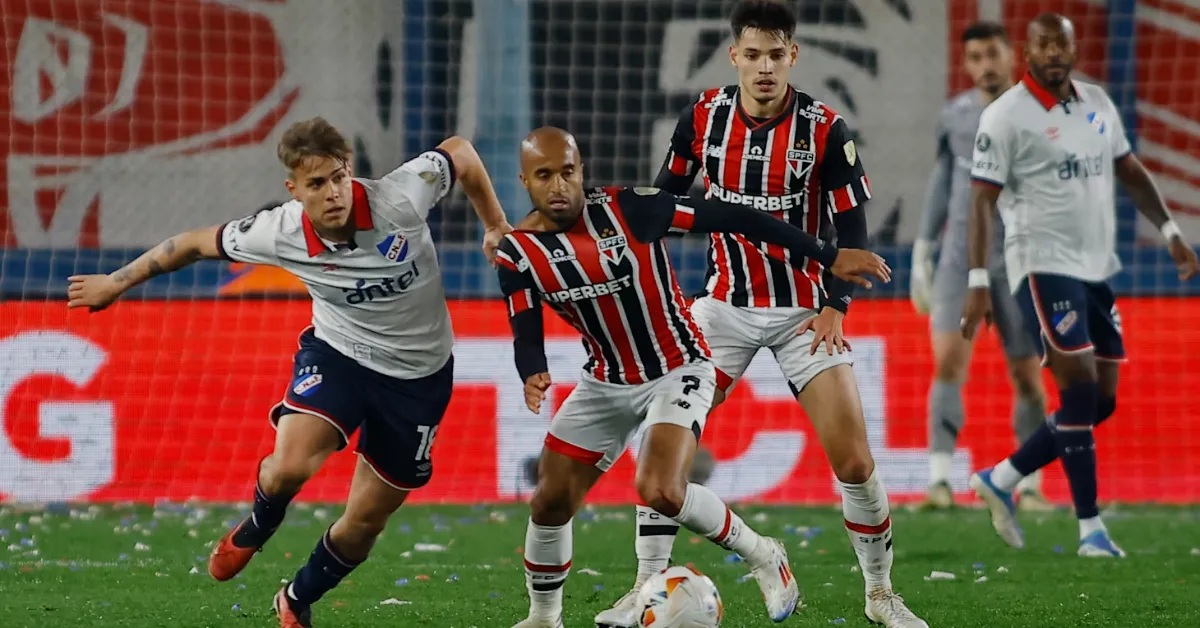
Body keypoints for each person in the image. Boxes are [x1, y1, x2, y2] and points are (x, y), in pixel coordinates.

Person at [66, 117, 513, 628]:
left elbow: (461, 152)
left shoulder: (401, 196)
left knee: (365, 522)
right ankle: (258, 525)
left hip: (419, 378)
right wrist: (115, 283)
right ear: (294, 190)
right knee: (290, 467)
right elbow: (189, 244)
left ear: (351, 173)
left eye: (340, 177)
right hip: (339, 356)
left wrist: (495, 223)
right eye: (317, 184)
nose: (333, 193)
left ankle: (297, 598)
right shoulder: (278, 232)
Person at [596, 2, 927, 626]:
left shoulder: (826, 130)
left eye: (777, 55)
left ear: (793, 56)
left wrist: (836, 305)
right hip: (722, 307)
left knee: (854, 461)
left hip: (804, 310)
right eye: (753, 55)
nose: (765, 67)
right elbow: (663, 205)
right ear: (735, 57)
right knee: (663, 451)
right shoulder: (702, 117)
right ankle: (645, 589)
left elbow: (852, 231)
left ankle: (881, 595)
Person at [498, 127, 890, 627]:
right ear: (525, 182)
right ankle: (543, 618)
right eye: (545, 175)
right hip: (605, 381)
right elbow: (524, 327)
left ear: (582, 171)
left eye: (568, 172)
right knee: (549, 501)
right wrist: (532, 372)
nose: (559, 186)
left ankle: (763, 554)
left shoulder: (632, 209)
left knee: (659, 486)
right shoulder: (516, 253)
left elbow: (734, 216)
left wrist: (827, 255)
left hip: (678, 365)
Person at [963, 13, 1198, 557]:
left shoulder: (1096, 102)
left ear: (1072, 50)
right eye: (1043, 45)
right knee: (1079, 390)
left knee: (1104, 401)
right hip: (1041, 262)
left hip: (1095, 267)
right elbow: (981, 199)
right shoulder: (1005, 117)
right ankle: (1090, 529)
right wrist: (979, 281)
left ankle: (1002, 477)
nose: (1054, 55)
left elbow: (1130, 169)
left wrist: (1171, 232)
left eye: (1062, 46)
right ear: (1027, 51)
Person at [910, 21, 1051, 511]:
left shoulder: (1039, 112)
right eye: (975, 58)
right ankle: (939, 481)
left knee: (1028, 375)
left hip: (1019, 263)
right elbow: (942, 180)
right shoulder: (956, 115)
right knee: (948, 362)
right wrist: (922, 248)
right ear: (966, 64)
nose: (985, 66)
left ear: (1011, 55)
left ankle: (1029, 484)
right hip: (957, 263)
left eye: (992, 54)